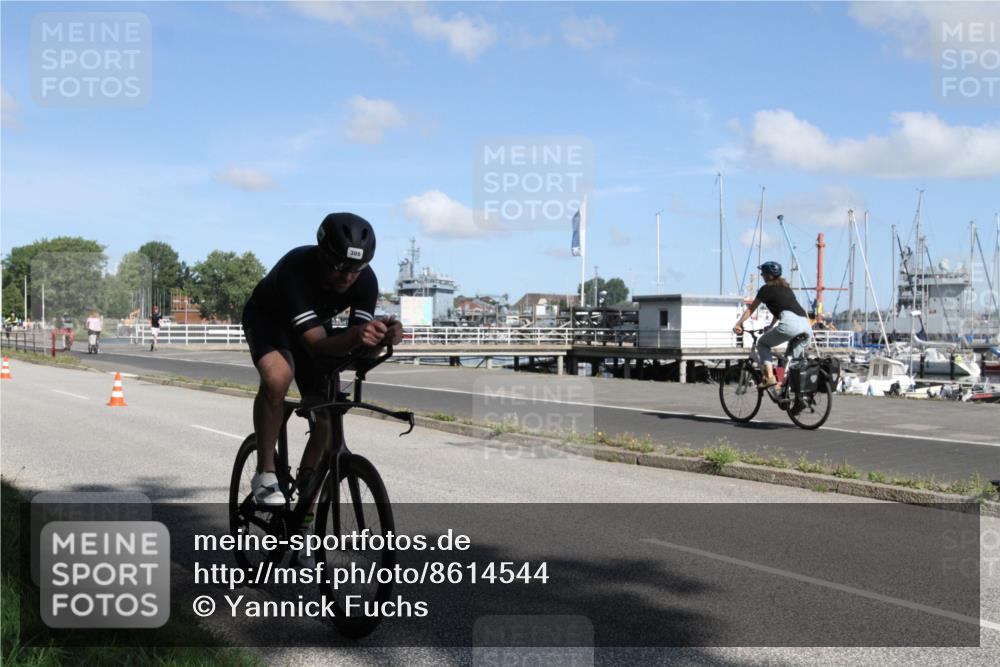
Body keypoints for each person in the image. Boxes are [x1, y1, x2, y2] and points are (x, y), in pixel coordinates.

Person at [241, 212, 403, 506]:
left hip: (313, 328)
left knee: (328, 411)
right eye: (340, 266)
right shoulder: (296, 269)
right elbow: (317, 346)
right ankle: (265, 472)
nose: (348, 276)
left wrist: (382, 339)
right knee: (278, 378)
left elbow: (358, 350)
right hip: (269, 321)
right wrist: (356, 335)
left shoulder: (365, 280)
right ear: (321, 255)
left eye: (357, 268)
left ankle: (305, 497)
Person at [733, 262, 812, 388]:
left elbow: (750, 309)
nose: (761, 275)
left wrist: (739, 323)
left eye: (763, 273)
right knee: (789, 361)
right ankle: (791, 392)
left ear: (769, 275)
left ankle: (769, 377)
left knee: (763, 344)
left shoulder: (766, 290)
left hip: (790, 324)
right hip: (806, 326)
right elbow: (780, 310)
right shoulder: (787, 288)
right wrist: (770, 326)